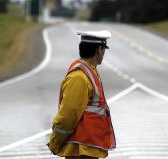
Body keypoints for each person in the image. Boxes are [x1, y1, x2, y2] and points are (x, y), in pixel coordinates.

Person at [47, 30, 116, 159]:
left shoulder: (89, 71)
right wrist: (55, 143)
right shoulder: (79, 77)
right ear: (99, 50)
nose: (104, 54)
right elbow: (68, 115)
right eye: (104, 50)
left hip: (86, 149)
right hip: (80, 150)